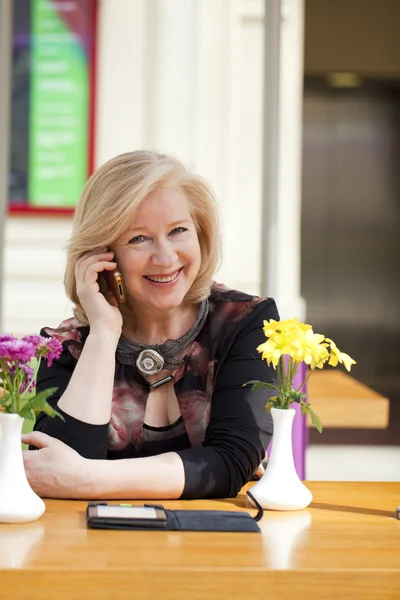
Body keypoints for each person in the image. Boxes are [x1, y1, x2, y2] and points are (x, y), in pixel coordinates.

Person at [22, 151, 279, 500]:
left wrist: (87, 479)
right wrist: (103, 333)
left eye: (178, 231)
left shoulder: (245, 322)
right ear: (102, 255)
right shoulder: (67, 345)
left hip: (215, 544)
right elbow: (56, 474)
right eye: (138, 238)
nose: (165, 258)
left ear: (200, 235)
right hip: (93, 547)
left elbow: (231, 463)